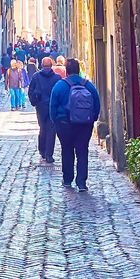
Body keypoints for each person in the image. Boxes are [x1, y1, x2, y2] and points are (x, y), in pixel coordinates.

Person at [48, 57, 101, 190]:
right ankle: (81, 182)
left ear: (67, 71)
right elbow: (97, 103)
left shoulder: (60, 86)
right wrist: (91, 119)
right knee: (82, 151)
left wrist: (55, 121)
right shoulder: (88, 85)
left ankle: (67, 179)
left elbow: (52, 105)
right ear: (79, 70)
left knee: (67, 150)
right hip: (84, 125)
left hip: (64, 124)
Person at [28, 55, 59, 164]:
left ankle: (42, 150)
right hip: (53, 107)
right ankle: (49, 154)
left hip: (41, 107)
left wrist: (34, 102)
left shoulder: (36, 77)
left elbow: (30, 91)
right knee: (51, 130)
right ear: (51, 65)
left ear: (41, 65)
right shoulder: (57, 78)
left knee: (42, 128)